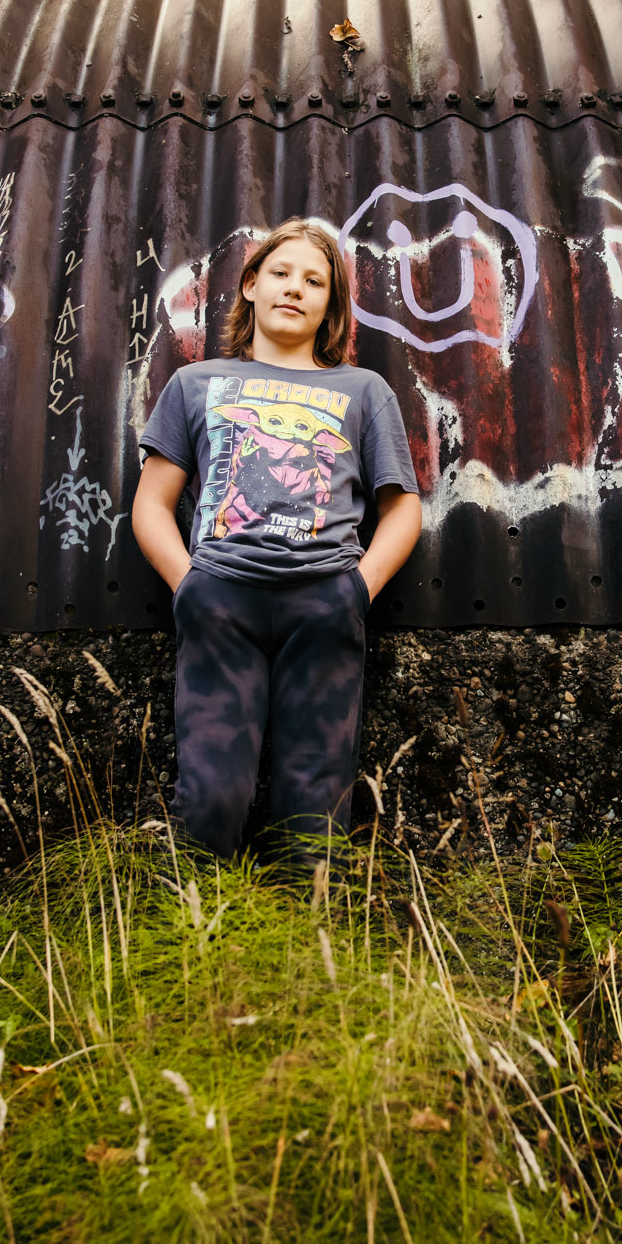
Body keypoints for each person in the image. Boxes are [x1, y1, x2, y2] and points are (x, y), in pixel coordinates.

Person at [133, 219, 420, 862]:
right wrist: (192, 586)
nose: (296, 289)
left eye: (315, 281)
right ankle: (192, 949)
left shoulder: (364, 391)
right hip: (221, 604)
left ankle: (303, 955)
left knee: (315, 814)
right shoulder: (194, 384)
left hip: (324, 604)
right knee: (208, 801)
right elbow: (151, 504)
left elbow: (402, 510)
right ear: (253, 285)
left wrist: (355, 589)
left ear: (330, 307)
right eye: (283, 274)